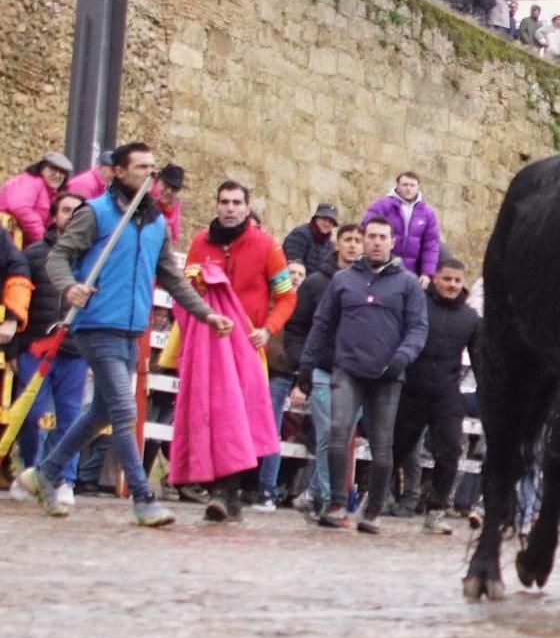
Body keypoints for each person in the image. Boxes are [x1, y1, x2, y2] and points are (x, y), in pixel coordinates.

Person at [18, 143, 232, 525]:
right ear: (118, 171)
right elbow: (57, 256)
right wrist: (70, 287)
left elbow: (171, 275)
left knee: (101, 410)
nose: (149, 174)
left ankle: (44, 473)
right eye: (140, 168)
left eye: (152, 168)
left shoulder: (156, 223)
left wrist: (205, 314)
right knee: (123, 408)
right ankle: (143, 496)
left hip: (131, 330)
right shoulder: (94, 214)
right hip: (95, 325)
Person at [295, 216, 427, 533]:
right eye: (371, 236)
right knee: (339, 433)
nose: (376, 242)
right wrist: (307, 364)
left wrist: (402, 358)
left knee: (382, 444)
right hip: (347, 369)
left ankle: (374, 510)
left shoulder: (408, 283)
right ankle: (337, 503)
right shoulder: (343, 280)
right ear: (363, 240)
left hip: (387, 375)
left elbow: (418, 328)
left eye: (383, 237)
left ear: (393, 241)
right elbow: (322, 324)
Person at [183, 180, 296, 517]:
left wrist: (268, 329)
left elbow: (287, 295)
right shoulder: (199, 243)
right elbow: (184, 288)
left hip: (247, 346)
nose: (230, 208)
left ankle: (229, 492)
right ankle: (221, 491)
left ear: (247, 207)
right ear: (216, 205)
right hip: (208, 343)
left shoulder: (267, 247)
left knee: (239, 421)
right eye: (224, 202)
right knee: (211, 416)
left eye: (236, 202)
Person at [389, 258, 478, 535]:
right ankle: (378, 498)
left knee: (450, 451)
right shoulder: (418, 306)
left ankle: (436, 510)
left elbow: (481, 360)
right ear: (435, 278)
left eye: (457, 280)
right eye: (447, 279)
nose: (452, 285)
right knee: (395, 449)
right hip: (411, 388)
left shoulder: (471, 318)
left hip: (447, 392)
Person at [11, 192, 85, 507]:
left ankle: (64, 478)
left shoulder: (89, 258)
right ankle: (30, 470)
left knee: (70, 417)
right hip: (36, 345)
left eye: (76, 212)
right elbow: (18, 302)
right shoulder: (32, 255)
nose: (70, 216)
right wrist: (14, 348)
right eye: (65, 210)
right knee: (31, 413)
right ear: (54, 215)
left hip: (74, 349)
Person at [283, 222, 362, 517]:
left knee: (341, 434)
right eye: (348, 239)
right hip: (323, 370)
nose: (353, 245)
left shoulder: (370, 284)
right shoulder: (316, 283)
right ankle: (330, 498)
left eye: (358, 240)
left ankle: (314, 492)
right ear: (337, 244)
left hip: (357, 373)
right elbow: (297, 326)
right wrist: (302, 362)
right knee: (329, 432)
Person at [362, 172, 440, 287]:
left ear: (418, 187)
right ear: (397, 186)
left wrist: (427, 273)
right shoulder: (381, 206)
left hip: (411, 272)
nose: (408, 189)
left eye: (412, 185)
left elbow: (430, 245)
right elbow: (365, 231)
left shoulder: (428, 213)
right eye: (405, 185)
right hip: (381, 268)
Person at [0, 151, 72, 244]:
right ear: (41, 168)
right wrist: (41, 238)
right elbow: (20, 207)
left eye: (62, 172)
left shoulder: (52, 192)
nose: (58, 175)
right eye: (53, 169)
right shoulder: (31, 181)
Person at [282, 202, 339, 273]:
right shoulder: (299, 235)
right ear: (316, 218)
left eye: (331, 222)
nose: (327, 224)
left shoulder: (330, 246)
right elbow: (293, 265)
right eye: (324, 219)